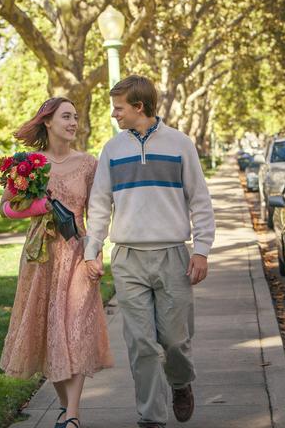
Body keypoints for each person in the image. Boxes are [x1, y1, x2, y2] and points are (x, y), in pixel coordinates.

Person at [84, 75, 216, 427]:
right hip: (128, 258)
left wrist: (201, 250)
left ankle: (181, 383)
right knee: (141, 343)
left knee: (175, 341)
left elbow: (200, 200)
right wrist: (91, 251)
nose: (114, 114)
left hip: (173, 255)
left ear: (139, 107)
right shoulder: (112, 149)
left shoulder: (180, 144)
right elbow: (99, 205)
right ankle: (151, 418)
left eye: (119, 107)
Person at [0, 97, 114, 428]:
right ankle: (66, 409)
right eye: (66, 116)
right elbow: (4, 208)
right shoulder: (30, 165)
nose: (73, 122)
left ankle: (73, 414)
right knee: (50, 333)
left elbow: (99, 215)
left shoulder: (89, 164)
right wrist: (37, 209)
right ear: (47, 121)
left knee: (76, 329)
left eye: (75, 117)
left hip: (77, 252)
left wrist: (96, 254)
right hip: (41, 256)